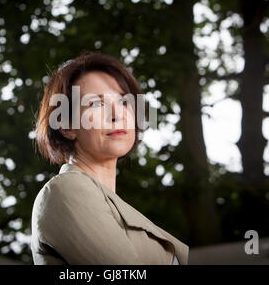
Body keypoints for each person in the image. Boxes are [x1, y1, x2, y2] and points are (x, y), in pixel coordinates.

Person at [30, 50, 189, 265]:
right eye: (96, 103)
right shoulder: (65, 189)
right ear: (67, 126)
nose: (117, 114)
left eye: (124, 102)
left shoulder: (110, 204)